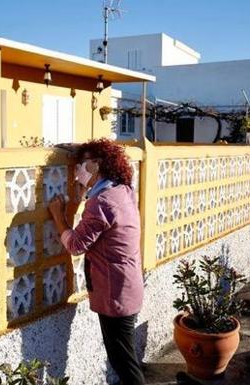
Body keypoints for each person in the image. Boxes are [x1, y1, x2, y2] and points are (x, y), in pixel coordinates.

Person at [48, 138, 145, 385]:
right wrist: (83, 195)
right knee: (125, 356)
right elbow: (101, 225)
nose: (77, 169)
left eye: (83, 163)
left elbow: (76, 244)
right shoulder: (122, 190)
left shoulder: (101, 202)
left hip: (115, 294)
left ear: (98, 164)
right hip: (128, 286)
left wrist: (58, 217)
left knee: (123, 363)